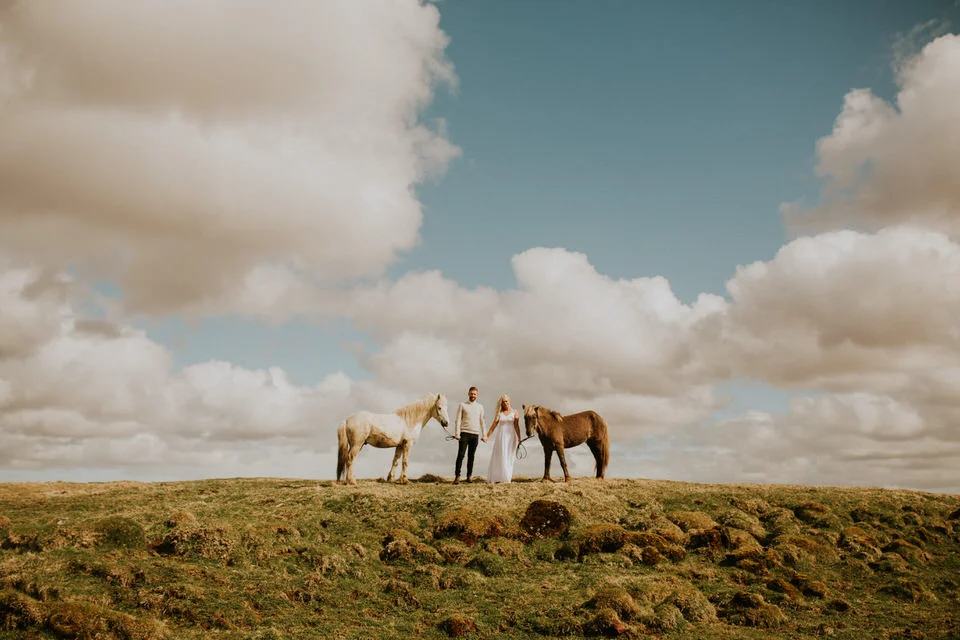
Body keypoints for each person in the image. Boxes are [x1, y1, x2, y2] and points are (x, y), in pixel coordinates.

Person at [483, 394, 521, 483]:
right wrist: (487, 436)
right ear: (501, 403)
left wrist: (519, 438)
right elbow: (493, 426)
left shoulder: (515, 412)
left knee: (509, 456)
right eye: (503, 402)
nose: (505, 403)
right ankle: (498, 477)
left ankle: (507, 477)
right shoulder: (499, 413)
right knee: (500, 456)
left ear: (509, 401)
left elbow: (516, 426)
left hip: (511, 436)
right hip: (501, 436)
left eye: (506, 401)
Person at [453, 386, 485, 484]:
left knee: (471, 456)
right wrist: (457, 433)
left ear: (477, 395)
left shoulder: (480, 407)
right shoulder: (462, 405)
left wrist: (485, 435)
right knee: (461, 455)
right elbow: (458, 420)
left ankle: (469, 476)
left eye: (474, 394)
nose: (473, 395)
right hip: (464, 433)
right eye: (471, 393)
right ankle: (457, 476)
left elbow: (482, 421)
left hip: (475, 434)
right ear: (468, 394)